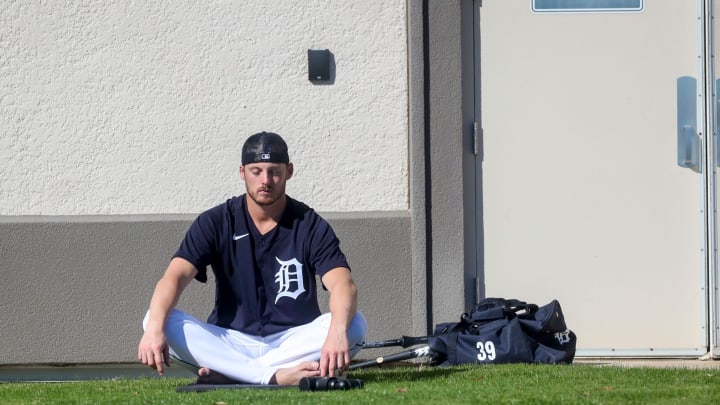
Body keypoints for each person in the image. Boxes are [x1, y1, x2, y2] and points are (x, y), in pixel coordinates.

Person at [137, 131, 367, 385]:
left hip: (292, 342)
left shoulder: (309, 224)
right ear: (242, 172)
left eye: (274, 171)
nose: (265, 180)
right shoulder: (216, 221)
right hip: (231, 341)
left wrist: (336, 333)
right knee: (155, 318)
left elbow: (343, 284)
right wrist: (155, 330)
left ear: (289, 171)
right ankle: (273, 376)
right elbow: (175, 277)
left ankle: (235, 374)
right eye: (256, 171)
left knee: (354, 324)